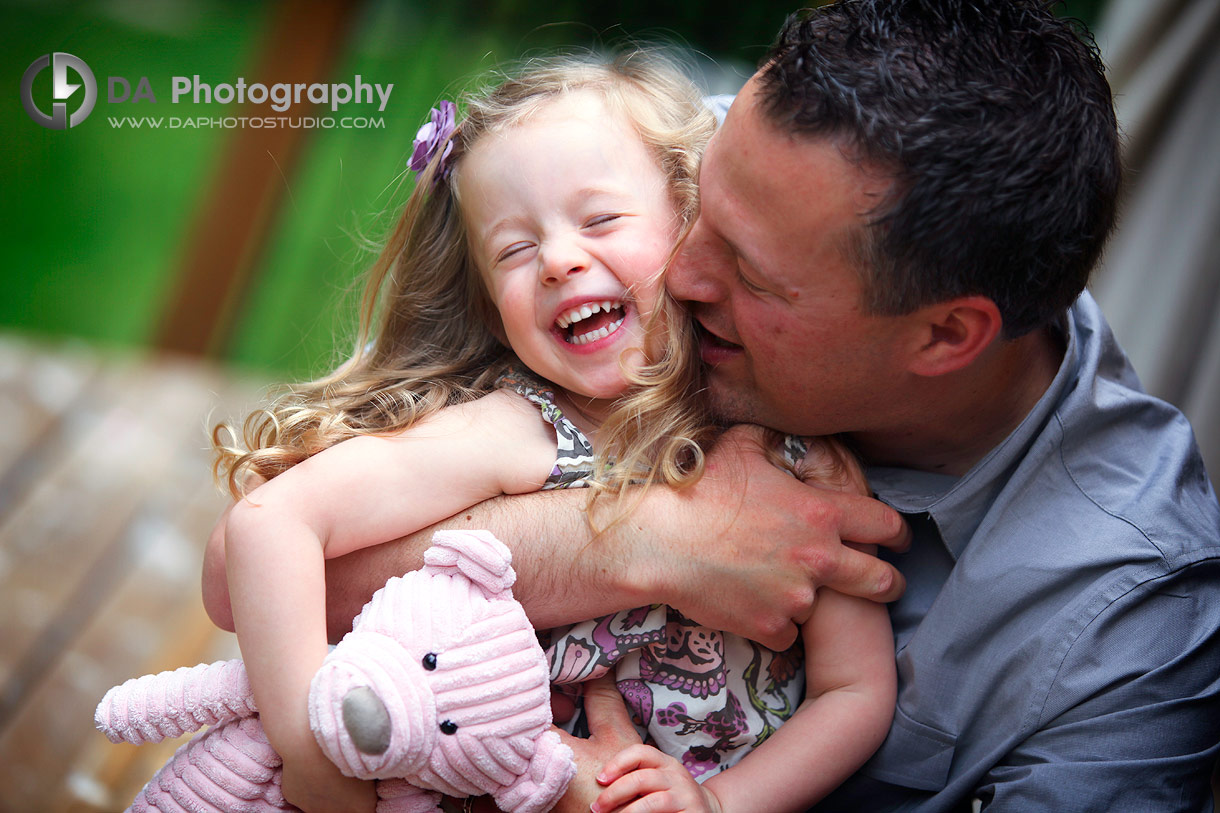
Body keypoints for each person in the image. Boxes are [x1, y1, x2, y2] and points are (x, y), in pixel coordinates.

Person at [205, 1, 1220, 810]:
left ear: (943, 337)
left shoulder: (1122, 643)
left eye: (746, 268)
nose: (680, 271)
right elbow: (237, 568)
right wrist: (638, 541)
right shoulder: (772, 163)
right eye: (698, 208)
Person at [211, 52, 896, 813]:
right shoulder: (521, 433)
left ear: (690, 217)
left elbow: (856, 688)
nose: (560, 261)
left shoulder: (792, 451)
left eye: (600, 218)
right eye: (514, 249)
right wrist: (314, 758)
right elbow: (271, 520)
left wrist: (720, 804)